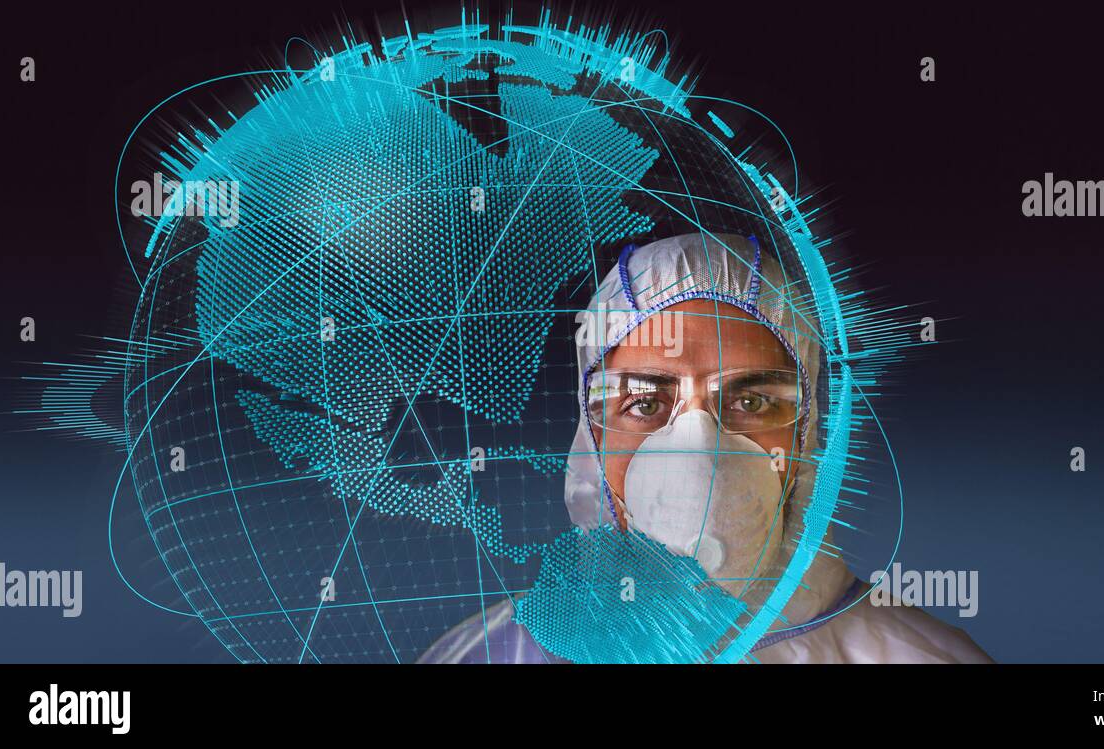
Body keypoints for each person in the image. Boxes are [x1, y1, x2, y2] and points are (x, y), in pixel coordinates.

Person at [418, 233, 992, 664]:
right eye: (645, 404)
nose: (699, 448)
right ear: (592, 439)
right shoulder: (501, 653)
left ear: (810, 431)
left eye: (753, 402)